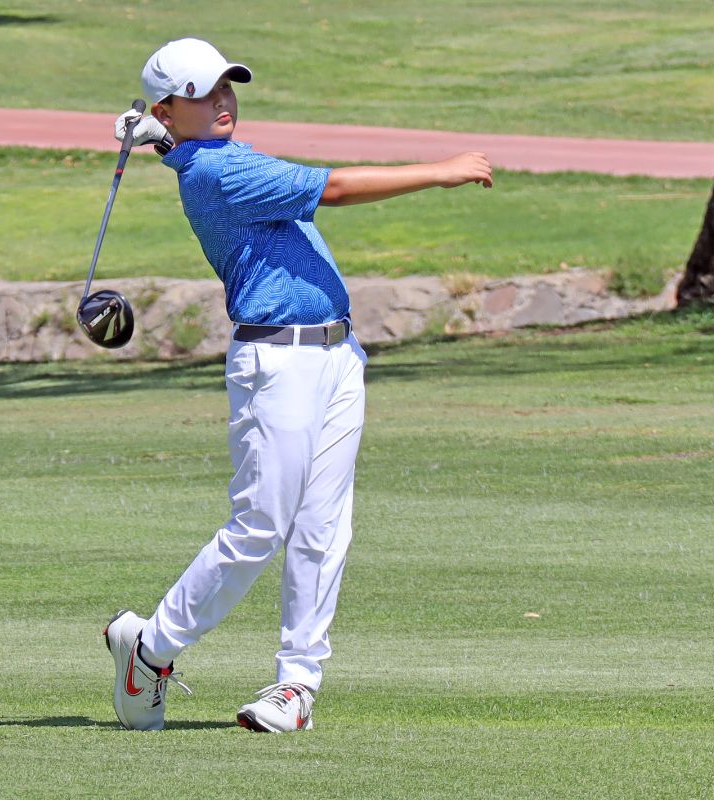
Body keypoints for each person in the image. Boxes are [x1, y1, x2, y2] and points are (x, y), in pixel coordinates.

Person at [103, 37, 493, 733]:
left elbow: (191, 150)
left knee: (322, 529)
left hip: (340, 357)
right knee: (260, 527)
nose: (222, 102)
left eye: (226, 87)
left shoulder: (205, 156)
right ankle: (152, 647)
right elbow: (335, 188)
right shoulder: (220, 175)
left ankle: (296, 687)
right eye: (202, 95)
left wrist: (165, 138)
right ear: (169, 106)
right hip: (274, 365)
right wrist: (444, 171)